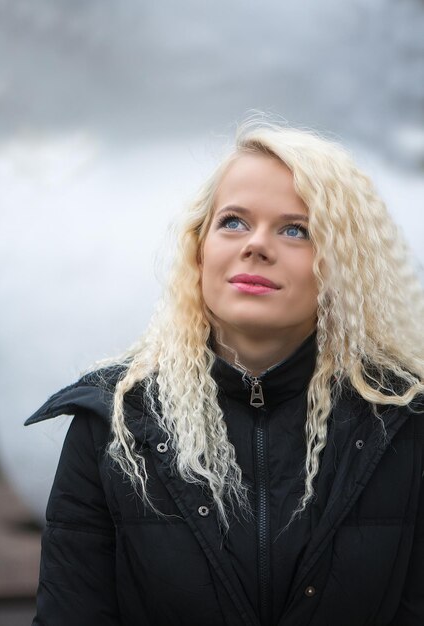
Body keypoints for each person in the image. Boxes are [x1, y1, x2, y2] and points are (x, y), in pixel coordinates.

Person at [26, 122, 424, 626]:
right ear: (199, 248)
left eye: (296, 229)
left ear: (343, 266)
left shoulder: (404, 423)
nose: (256, 245)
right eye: (233, 222)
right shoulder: (113, 424)